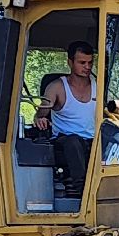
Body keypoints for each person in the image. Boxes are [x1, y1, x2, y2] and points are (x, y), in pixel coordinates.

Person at [33, 41, 98, 198]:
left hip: (94, 140)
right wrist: (39, 118)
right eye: (82, 63)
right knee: (73, 142)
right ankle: (82, 191)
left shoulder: (99, 86)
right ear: (70, 62)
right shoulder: (57, 87)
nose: (87, 67)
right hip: (65, 141)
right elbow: (41, 114)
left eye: (90, 63)